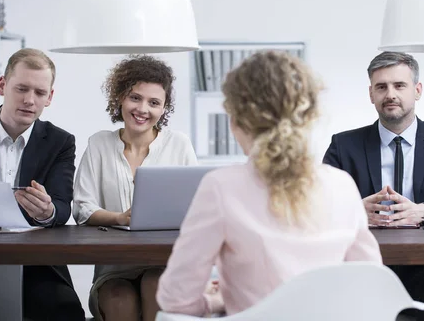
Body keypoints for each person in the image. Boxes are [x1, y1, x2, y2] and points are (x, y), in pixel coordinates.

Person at [156, 50, 382, 317]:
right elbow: (370, 287)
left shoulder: (221, 187)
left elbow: (177, 300)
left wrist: (218, 303)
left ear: (237, 119)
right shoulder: (342, 185)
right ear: (307, 115)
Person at [323, 51, 424, 321]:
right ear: (371, 94)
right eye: (381, 87)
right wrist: (353, 209)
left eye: (399, 85)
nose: (390, 94)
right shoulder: (344, 145)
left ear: (417, 90)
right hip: (364, 264)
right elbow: (316, 203)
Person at [0, 48, 85, 321]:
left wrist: (47, 212)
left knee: (65, 311)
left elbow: (61, 205)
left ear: (50, 97)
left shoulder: (60, 142)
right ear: (2, 85)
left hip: (35, 261)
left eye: (39, 93)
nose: (29, 100)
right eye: (21, 88)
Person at [73, 55, 198, 321]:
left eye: (154, 103)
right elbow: (82, 208)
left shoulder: (179, 145)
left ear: (164, 109)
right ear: (120, 98)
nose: (143, 109)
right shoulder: (99, 144)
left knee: (156, 284)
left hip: (165, 263)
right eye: (135, 98)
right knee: (119, 298)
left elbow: (196, 206)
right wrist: (118, 218)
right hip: (113, 269)